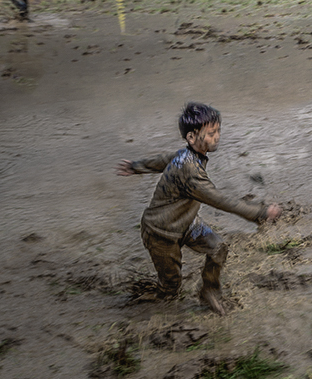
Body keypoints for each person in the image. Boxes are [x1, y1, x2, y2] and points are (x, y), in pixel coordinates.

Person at [116, 103, 282, 315]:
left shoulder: (184, 155)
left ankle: (208, 291)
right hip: (161, 233)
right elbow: (221, 201)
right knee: (171, 288)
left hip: (187, 223)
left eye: (218, 131)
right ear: (192, 138)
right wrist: (261, 213)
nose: (217, 137)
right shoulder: (191, 174)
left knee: (217, 248)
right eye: (211, 133)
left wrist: (135, 166)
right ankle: (142, 306)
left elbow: (163, 160)